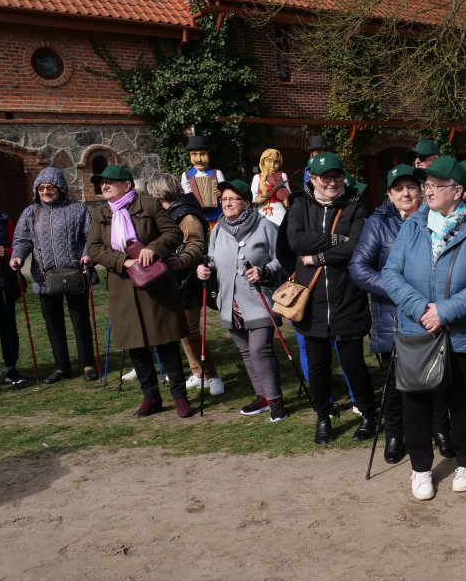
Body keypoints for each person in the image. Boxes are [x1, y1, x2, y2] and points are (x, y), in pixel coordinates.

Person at [383, 156, 466, 500]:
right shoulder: (412, 226)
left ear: (458, 192)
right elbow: (391, 274)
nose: (427, 191)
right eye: (426, 185)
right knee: (415, 401)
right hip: (417, 329)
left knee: (462, 401)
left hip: (460, 332)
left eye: (435, 186)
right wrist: (421, 310)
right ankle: (420, 469)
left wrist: (445, 311)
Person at [285, 152, 377, 444]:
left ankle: (368, 415)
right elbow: (296, 240)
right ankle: (322, 417)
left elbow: (359, 246)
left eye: (337, 176)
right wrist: (338, 239)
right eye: (326, 177)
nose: (333, 182)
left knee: (353, 364)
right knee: (318, 367)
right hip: (311, 302)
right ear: (313, 179)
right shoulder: (299, 204)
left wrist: (320, 256)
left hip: (347, 299)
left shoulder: (355, 205)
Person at [87, 165, 192, 417]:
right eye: (102, 183)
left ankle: (179, 396)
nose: (104, 186)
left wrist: (153, 249)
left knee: (165, 339)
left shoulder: (149, 205)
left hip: (155, 283)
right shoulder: (100, 213)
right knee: (136, 344)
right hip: (123, 285)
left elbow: (173, 233)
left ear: (126, 185)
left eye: (110, 182)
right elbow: (94, 248)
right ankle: (151, 397)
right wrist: (123, 261)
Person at [348, 164, 425, 464]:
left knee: (433, 375)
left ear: (420, 190)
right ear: (390, 194)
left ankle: (437, 430)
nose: (406, 193)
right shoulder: (377, 223)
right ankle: (395, 435)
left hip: (429, 314)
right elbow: (359, 267)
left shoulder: (436, 220)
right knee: (393, 382)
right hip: (391, 315)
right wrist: (396, 289)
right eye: (398, 188)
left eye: (411, 187)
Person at [197, 180, 286, 422]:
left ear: (246, 202)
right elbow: (213, 259)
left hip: (259, 299)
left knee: (260, 349)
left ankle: (276, 400)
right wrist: (206, 269)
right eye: (223, 199)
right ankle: (262, 396)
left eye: (232, 199)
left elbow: (284, 261)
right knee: (246, 351)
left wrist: (264, 271)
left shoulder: (266, 226)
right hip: (230, 301)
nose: (226, 203)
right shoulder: (218, 229)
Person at [9, 167, 94, 384]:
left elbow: (90, 237)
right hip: (45, 277)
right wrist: (17, 257)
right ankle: (61, 367)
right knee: (53, 323)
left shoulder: (78, 209)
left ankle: (88, 364)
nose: (45, 191)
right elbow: (21, 240)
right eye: (41, 188)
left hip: (75, 272)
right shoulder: (30, 212)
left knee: (80, 320)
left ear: (60, 188)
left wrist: (87, 256)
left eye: (50, 187)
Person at [145, 173, 224, 396]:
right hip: (172, 277)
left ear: (159, 192)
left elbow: (196, 244)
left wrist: (181, 261)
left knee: (189, 330)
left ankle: (211, 375)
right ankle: (197, 373)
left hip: (190, 277)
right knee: (181, 330)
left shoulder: (185, 214)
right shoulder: (166, 212)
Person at [0, 195, 24, 384]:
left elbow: (16, 245)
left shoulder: (2, 219)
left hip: (1, 281)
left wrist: (6, 253)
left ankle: (11, 368)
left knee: (7, 328)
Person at [179, 135, 225, 225]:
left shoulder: (217, 173)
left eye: (203, 154)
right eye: (194, 155)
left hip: (216, 215)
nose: (199, 159)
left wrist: (221, 193)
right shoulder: (186, 175)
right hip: (196, 215)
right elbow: (185, 196)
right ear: (190, 156)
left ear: (208, 155)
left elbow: (226, 194)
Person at [252, 148, 291, 226]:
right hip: (263, 210)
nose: (273, 165)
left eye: (276, 162)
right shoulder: (258, 177)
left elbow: (288, 192)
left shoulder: (282, 175)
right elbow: (252, 194)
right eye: (269, 161)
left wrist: (288, 199)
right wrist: (257, 198)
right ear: (263, 161)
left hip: (279, 209)